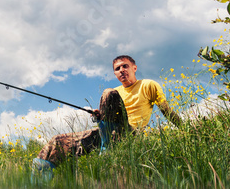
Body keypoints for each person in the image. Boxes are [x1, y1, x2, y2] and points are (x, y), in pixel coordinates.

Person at [32, 55, 182, 177]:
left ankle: (107, 152)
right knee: (57, 141)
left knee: (108, 93)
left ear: (134, 68)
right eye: (117, 68)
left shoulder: (148, 85)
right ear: (115, 74)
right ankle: (38, 185)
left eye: (125, 66)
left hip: (131, 132)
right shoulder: (116, 90)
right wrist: (99, 115)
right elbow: (105, 116)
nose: (122, 70)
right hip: (106, 132)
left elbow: (166, 110)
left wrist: (184, 128)